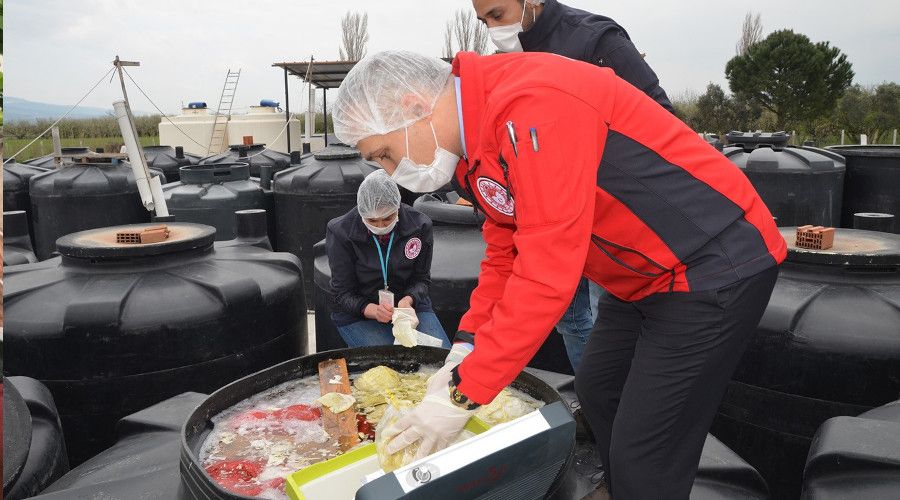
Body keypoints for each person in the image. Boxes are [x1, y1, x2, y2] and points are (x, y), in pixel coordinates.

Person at [332, 50, 785, 499]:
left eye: (386, 153)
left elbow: (547, 271)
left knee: (645, 450)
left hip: (710, 263)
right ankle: (623, 487)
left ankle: (639, 484)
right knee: (598, 388)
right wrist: (467, 346)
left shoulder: (533, 109)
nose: (395, 174)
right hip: (640, 275)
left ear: (415, 105)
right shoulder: (473, 148)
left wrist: (464, 393)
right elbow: (506, 252)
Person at [472, 0, 676, 371]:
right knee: (568, 317)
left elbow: (662, 121)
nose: (492, 30)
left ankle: (615, 398)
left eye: (497, 15)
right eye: (483, 20)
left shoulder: (597, 41)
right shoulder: (510, 61)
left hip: (606, 218)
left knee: (606, 315)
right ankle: (590, 393)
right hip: (547, 220)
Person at [325, 170, 450, 348]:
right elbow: (342, 294)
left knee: (440, 356)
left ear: (397, 207)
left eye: (388, 218)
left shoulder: (420, 226)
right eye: (372, 220)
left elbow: (422, 279)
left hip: (406, 305)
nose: (381, 226)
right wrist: (373, 311)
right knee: (393, 362)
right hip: (358, 310)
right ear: (362, 212)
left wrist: (408, 300)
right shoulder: (341, 232)